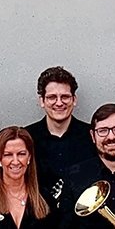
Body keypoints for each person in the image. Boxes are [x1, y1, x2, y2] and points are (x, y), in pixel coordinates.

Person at [26, 66, 94, 205]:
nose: (59, 103)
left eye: (65, 97)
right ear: (42, 101)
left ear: (74, 100)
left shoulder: (91, 136)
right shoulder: (27, 137)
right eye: (52, 97)